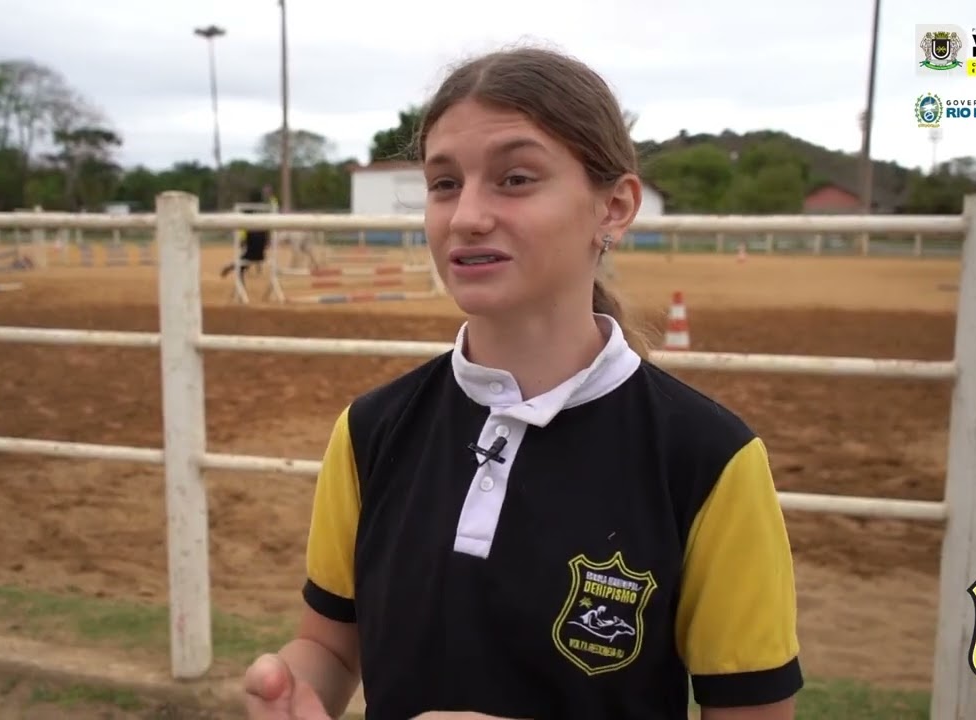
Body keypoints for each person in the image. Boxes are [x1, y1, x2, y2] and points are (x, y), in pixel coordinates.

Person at [244, 45, 802, 720]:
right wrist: (296, 689)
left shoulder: (710, 461)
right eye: (444, 183)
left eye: (514, 179)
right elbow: (329, 648)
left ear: (614, 208)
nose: (466, 215)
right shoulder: (369, 430)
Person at [220, 188, 272, 280]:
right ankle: (233, 268)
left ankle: (241, 290)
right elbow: (267, 238)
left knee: (242, 264)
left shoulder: (247, 212)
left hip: (251, 253)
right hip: (261, 254)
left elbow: (244, 234)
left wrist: (243, 240)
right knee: (247, 257)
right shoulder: (265, 212)